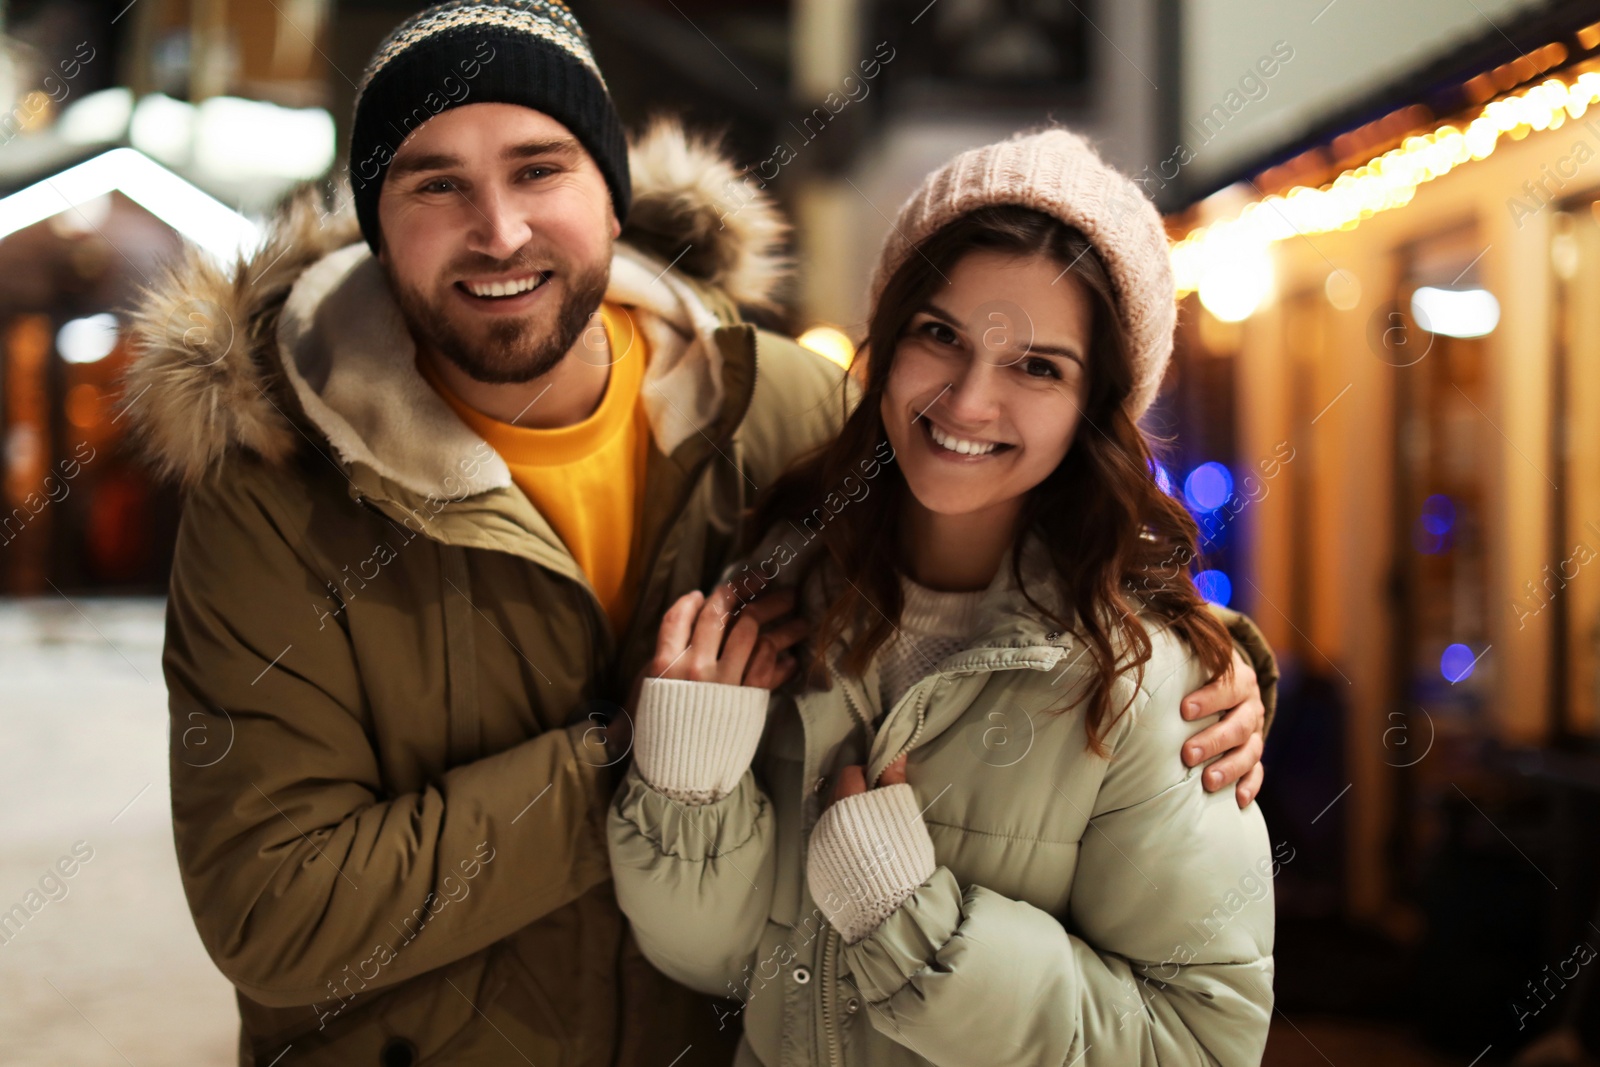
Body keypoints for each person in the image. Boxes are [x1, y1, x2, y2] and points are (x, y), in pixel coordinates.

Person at [124, 1, 1271, 1063]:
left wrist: (1208, 660)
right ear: (372, 223)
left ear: (610, 194)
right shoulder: (276, 495)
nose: (500, 227)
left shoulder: (778, 411)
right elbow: (277, 910)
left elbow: (1003, 554)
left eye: (540, 168)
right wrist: (640, 752)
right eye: (434, 185)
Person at [609, 128, 1277, 1066]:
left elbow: (1203, 1043)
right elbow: (717, 961)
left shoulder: (1155, 688)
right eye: (941, 336)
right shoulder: (778, 593)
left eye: (1037, 366)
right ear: (888, 340)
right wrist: (686, 787)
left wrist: (912, 929)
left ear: (1098, 407)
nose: (966, 402)